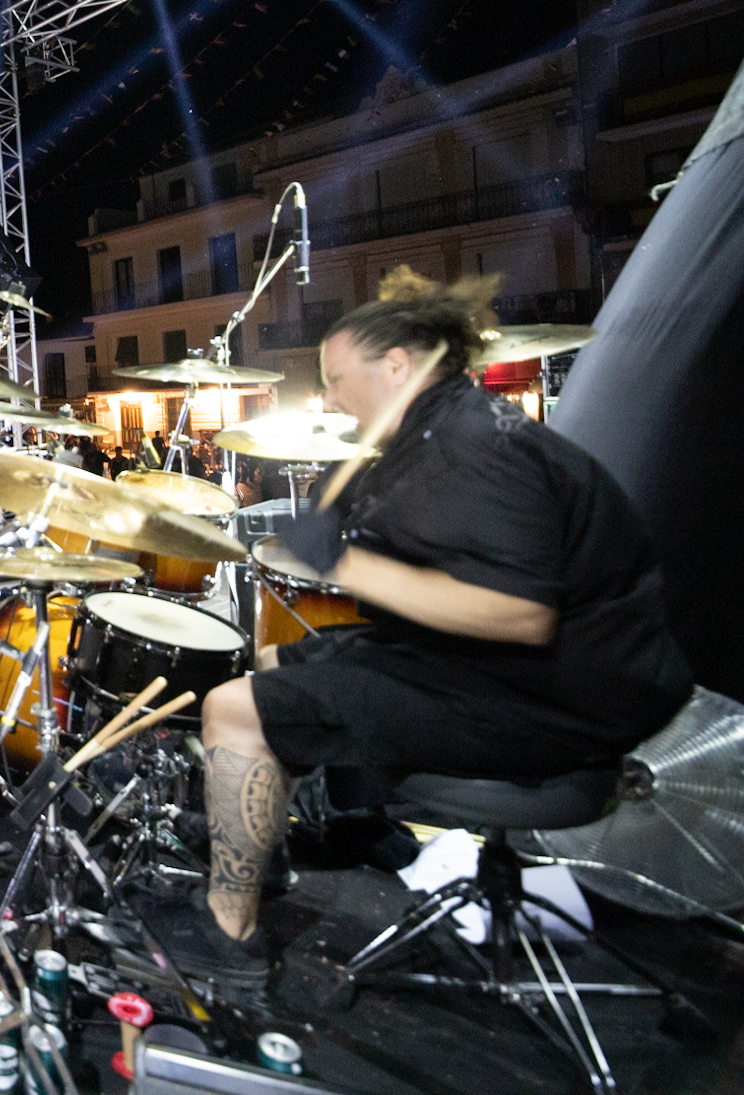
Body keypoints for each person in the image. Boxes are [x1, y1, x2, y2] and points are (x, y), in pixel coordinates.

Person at [152, 268, 695, 986]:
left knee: (233, 708)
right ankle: (265, 846)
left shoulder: (474, 449)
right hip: (530, 674)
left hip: (560, 701)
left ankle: (230, 933)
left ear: (397, 365)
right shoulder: (447, 428)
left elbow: (519, 613)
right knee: (283, 660)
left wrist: (344, 561)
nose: (330, 398)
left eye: (337, 379)